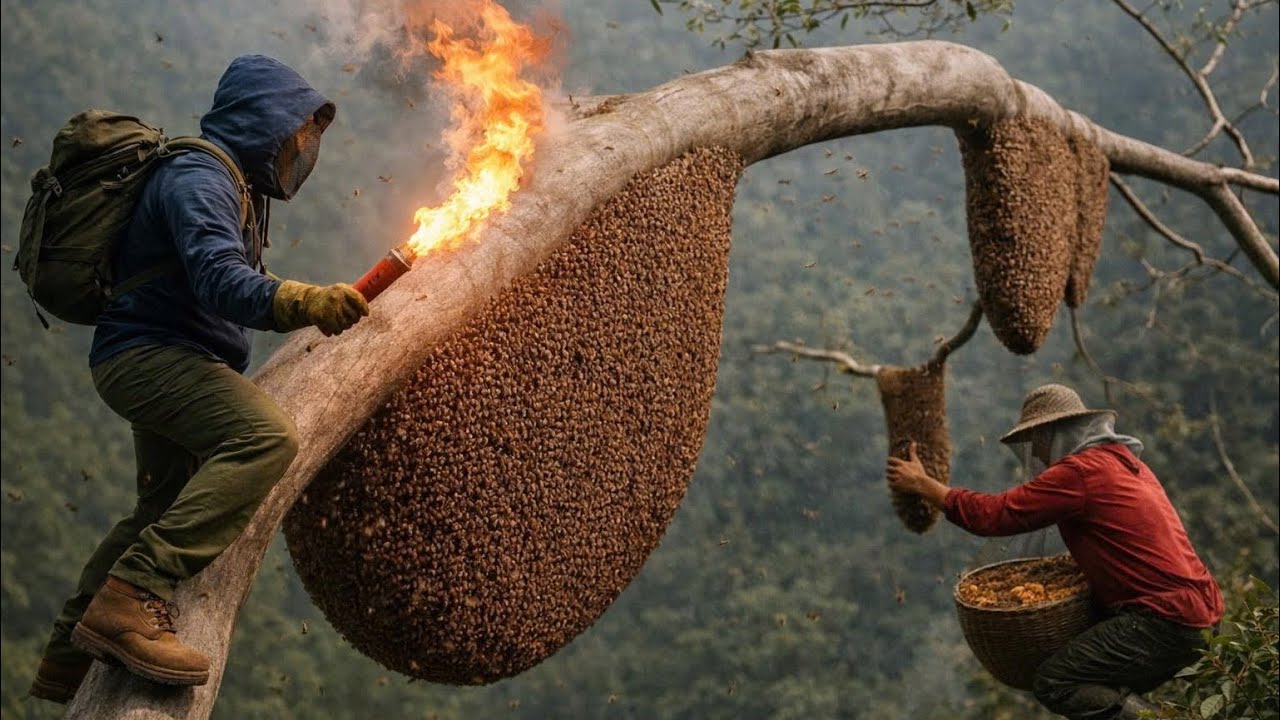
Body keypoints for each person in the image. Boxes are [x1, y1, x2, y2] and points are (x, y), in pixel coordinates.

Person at [28, 54, 370, 704]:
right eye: (297, 131)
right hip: (152, 357)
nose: (302, 147)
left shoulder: (231, 182)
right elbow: (220, 279)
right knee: (266, 439)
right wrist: (304, 300)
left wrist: (303, 299)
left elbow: (225, 277)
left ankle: (67, 657)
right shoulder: (199, 177)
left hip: (158, 356)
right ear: (263, 121)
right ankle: (132, 597)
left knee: (161, 503)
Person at [886, 383, 1223, 720]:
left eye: (1039, 440)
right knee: (1102, 687)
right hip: (1202, 612)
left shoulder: (1079, 472)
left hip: (1163, 618)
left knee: (1056, 682)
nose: (1038, 452)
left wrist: (924, 485)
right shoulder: (1124, 463)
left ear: (1056, 433)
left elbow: (993, 514)